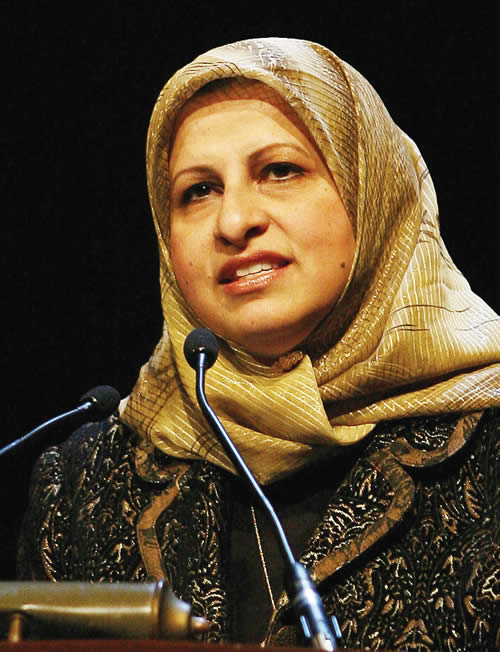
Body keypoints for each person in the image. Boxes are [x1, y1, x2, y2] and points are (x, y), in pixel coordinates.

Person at [17, 37, 500, 650]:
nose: (233, 221)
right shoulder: (85, 486)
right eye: (198, 191)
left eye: (279, 171)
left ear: (372, 193)